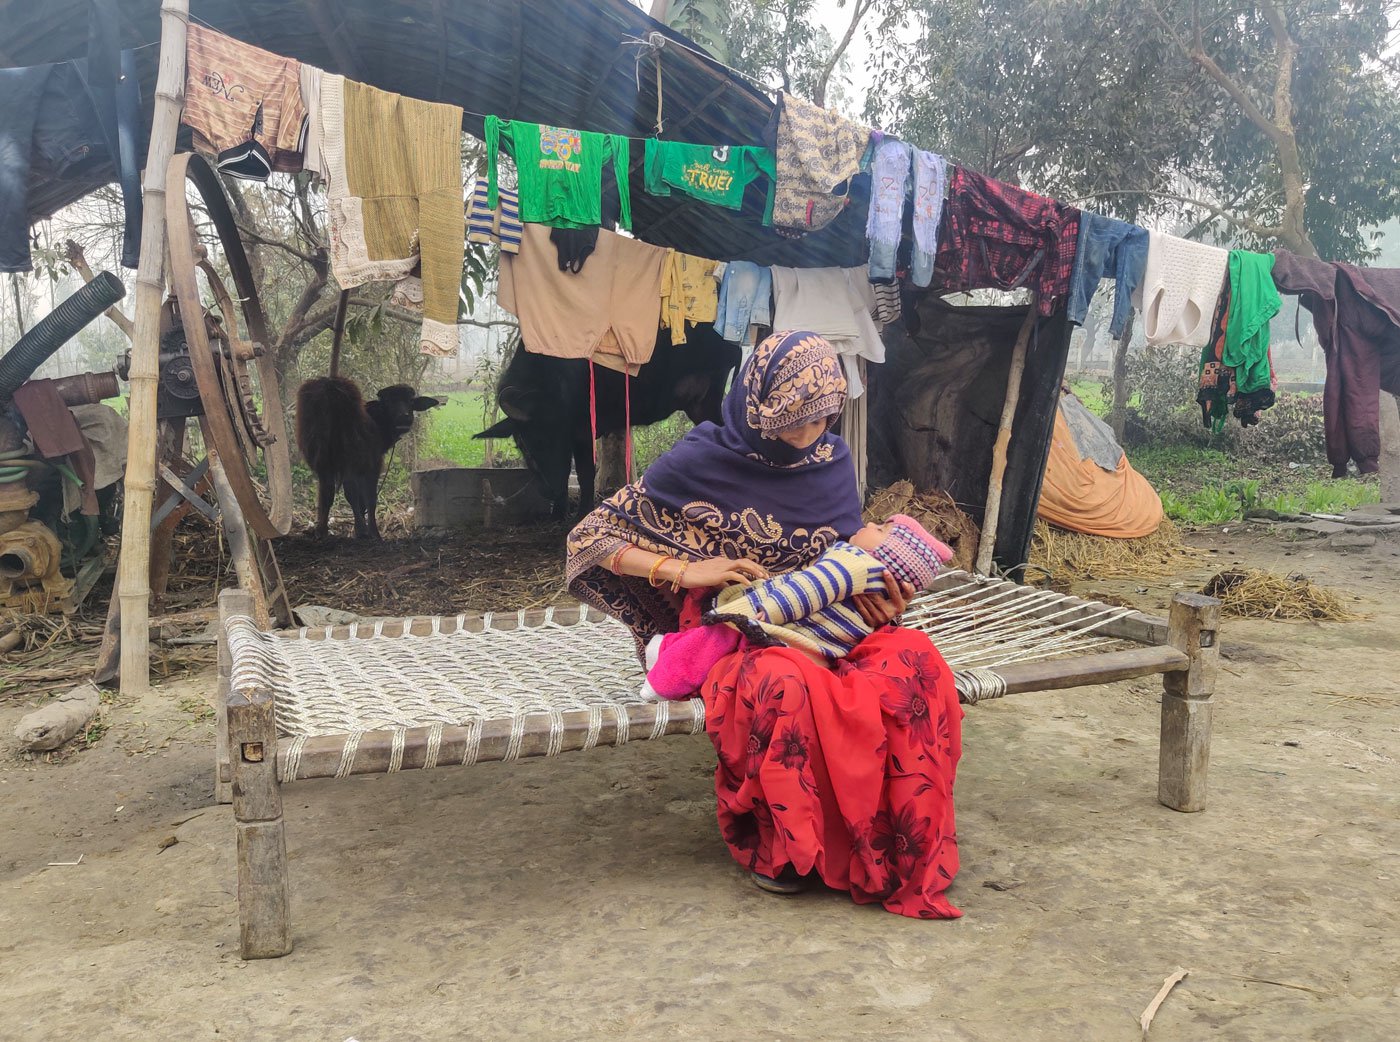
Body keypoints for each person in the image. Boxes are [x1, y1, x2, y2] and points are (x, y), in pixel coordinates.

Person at [567, 329, 963, 919]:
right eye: (789, 422)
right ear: (755, 404)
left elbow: (842, 537)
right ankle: (789, 851)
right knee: (787, 689)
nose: (803, 439)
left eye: (818, 421)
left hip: (834, 617)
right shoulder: (702, 457)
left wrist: (884, 584)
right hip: (737, 629)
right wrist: (688, 569)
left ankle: (890, 844)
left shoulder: (830, 457)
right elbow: (589, 540)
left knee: (915, 665)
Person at [640, 515, 955, 697]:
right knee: (717, 640)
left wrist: (758, 612)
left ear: (889, 557)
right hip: (814, 647)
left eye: (882, 530)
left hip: (778, 624)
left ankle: (663, 681)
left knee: (719, 634)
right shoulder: (866, 574)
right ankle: (666, 649)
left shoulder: (854, 564)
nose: (870, 521)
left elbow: (808, 589)